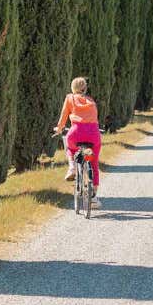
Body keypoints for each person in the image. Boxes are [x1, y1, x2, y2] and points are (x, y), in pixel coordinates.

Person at [54, 77, 102, 208]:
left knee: (70, 148)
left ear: (72, 88)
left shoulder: (70, 98)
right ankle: (93, 198)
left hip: (75, 132)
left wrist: (59, 128)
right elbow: (94, 119)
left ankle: (72, 167)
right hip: (93, 134)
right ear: (85, 89)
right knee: (94, 163)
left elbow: (64, 116)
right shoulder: (91, 101)